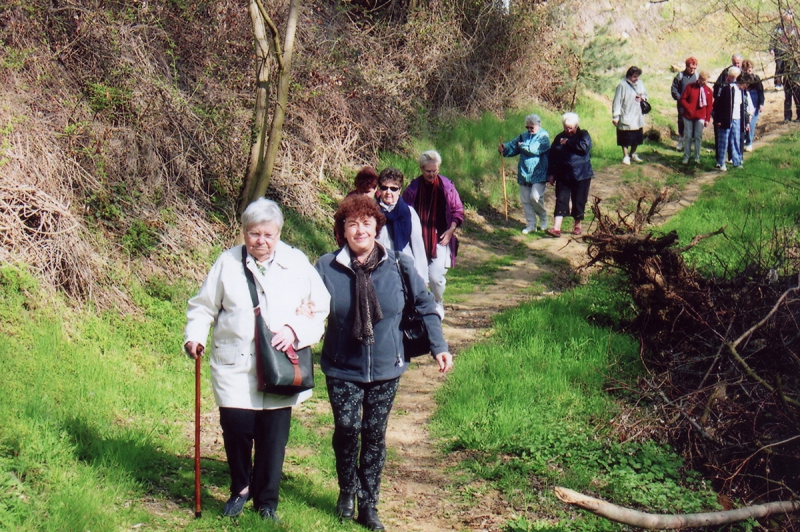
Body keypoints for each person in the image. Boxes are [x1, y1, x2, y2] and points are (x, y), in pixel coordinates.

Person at [184, 198, 331, 522]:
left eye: (267, 234)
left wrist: (295, 329)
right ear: (244, 232)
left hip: (280, 364)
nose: (260, 241)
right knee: (236, 427)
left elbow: (321, 305)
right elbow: (203, 306)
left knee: (273, 437)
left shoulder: (295, 262)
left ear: (278, 233)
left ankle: (267, 503)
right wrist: (194, 336)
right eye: (253, 234)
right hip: (235, 364)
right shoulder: (227, 262)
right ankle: (240, 488)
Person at [315, 194, 453, 531]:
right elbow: (304, 307)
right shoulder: (324, 267)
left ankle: (369, 504)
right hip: (341, 364)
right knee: (347, 430)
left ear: (377, 226)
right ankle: (347, 489)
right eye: (352, 224)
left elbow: (425, 305)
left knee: (374, 434)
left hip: (386, 365)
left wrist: (439, 345)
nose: (360, 230)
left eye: (366, 223)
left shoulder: (398, 264)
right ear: (342, 231)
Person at [401, 150, 464, 320]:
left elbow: (457, 210)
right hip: (417, 240)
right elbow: (404, 213)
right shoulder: (413, 189)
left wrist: (451, 230)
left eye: (435, 170)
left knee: (436, 277)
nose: (432, 174)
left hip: (441, 238)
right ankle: (421, 309)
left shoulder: (447, 186)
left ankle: (438, 301)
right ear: (421, 169)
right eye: (428, 171)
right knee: (418, 278)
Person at [498, 114, 551, 233]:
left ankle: (543, 217)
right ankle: (531, 224)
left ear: (539, 125)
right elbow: (513, 145)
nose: (529, 130)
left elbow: (535, 149)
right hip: (524, 172)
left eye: (531, 128)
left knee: (535, 197)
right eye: (527, 127)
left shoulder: (543, 136)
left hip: (539, 173)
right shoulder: (523, 136)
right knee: (526, 200)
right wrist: (504, 147)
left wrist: (522, 146)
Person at [375, 167, 428, 284]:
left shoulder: (408, 213)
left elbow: (417, 244)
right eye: (384, 188)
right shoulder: (372, 211)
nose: (388, 192)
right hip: (378, 265)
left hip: (402, 264)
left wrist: (422, 276)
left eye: (393, 189)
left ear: (399, 190)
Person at [544, 112, 593, 238]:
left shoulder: (584, 135)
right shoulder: (559, 137)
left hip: (581, 174)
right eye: (566, 127)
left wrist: (568, 143)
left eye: (570, 128)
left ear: (576, 126)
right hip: (563, 174)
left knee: (578, 200)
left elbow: (583, 148)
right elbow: (553, 156)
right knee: (561, 199)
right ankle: (556, 228)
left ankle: (577, 225)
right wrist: (551, 173)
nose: (568, 130)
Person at [713, 66, 753, 171]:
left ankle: (737, 161)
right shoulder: (728, 88)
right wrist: (718, 120)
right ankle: (721, 163)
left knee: (736, 140)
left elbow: (743, 107)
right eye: (746, 84)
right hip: (726, 119)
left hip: (737, 119)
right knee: (723, 141)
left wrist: (746, 121)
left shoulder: (743, 92)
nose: (746, 87)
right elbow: (719, 105)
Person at [335, 166, 380, 246]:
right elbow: (339, 228)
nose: (363, 196)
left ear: (376, 188)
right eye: (361, 192)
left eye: (367, 192)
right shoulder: (349, 202)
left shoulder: (381, 199)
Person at [612, 66, 648, 165]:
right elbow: (617, 102)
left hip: (637, 115)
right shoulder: (622, 85)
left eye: (638, 76)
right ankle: (625, 156)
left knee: (637, 136)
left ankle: (633, 154)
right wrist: (616, 116)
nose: (637, 79)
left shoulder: (640, 83)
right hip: (626, 114)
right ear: (629, 76)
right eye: (634, 77)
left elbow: (645, 95)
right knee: (625, 137)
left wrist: (642, 98)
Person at [679, 70, 714, 164]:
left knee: (698, 136)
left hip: (700, 116)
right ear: (699, 79)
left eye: (706, 81)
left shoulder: (708, 91)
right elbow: (682, 99)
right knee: (688, 136)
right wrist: (689, 107)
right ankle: (686, 156)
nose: (704, 82)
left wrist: (707, 119)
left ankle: (697, 157)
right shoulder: (690, 87)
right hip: (688, 116)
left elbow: (709, 106)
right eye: (702, 80)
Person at [670, 57, 699, 151]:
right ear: (686, 66)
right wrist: (680, 99)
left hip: (694, 104)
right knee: (682, 122)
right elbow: (674, 89)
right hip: (682, 104)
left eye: (694, 68)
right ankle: (681, 140)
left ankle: (690, 142)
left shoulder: (697, 76)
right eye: (691, 68)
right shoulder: (680, 76)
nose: (692, 70)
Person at [740, 61, 765, 151]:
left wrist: (761, 104)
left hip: (755, 103)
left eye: (749, 70)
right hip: (744, 102)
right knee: (744, 123)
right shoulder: (741, 79)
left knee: (751, 124)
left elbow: (761, 91)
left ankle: (749, 143)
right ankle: (745, 139)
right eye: (746, 70)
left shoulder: (756, 78)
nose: (748, 72)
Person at [770, 9, 796, 91]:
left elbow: (797, 40)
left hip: (789, 52)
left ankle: (789, 83)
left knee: (789, 68)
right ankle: (778, 83)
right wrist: (771, 49)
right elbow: (773, 38)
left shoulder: (794, 28)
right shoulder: (778, 27)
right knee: (779, 67)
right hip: (779, 50)